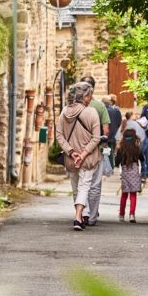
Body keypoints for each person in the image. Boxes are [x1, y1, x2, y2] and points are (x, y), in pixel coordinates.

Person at [56, 82, 101, 231]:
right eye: (89, 95)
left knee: (76, 188)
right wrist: (82, 154)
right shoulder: (92, 112)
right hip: (87, 159)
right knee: (84, 187)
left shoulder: (64, 112)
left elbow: (59, 136)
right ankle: (78, 217)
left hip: (70, 159)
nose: (91, 98)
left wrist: (71, 151)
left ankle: (81, 215)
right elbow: (96, 138)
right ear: (85, 97)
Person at [80, 80, 109, 225]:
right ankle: (91, 217)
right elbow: (106, 131)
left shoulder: (70, 107)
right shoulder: (99, 106)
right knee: (95, 185)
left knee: (81, 184)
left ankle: (81, 214)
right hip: (95, 150)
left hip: (77, 151)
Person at [116, 131, 143, 223]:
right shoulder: (137, 149)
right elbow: (142, 159)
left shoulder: (121, 149)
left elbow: (117, 162)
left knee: (124, 194)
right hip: (134, 171)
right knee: (133, 194)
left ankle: (121, 215)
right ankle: (132, 215)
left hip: (125, 172)